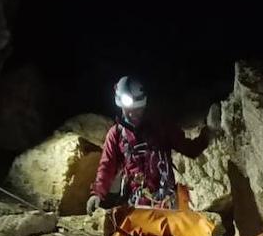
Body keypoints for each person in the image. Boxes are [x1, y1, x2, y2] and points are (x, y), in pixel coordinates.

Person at [86, 76, 218, 212]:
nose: (133, 114)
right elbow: (107, 167)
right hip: (136, 205)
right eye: (128, 109)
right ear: (120, 105)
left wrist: (208, 133)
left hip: (166, 203)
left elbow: (190, 149)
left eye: (138, 109)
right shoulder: (116, 135)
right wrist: (97, 194)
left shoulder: (161, 126)